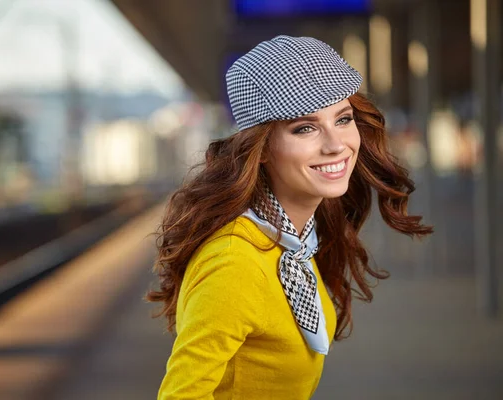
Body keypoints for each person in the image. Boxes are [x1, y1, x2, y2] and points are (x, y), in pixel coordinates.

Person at [148, 35, 432, 400]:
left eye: (343, 119)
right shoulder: (236, 262)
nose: (336, 144)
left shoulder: (293, 238)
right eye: (305, 128)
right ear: (261, 148)